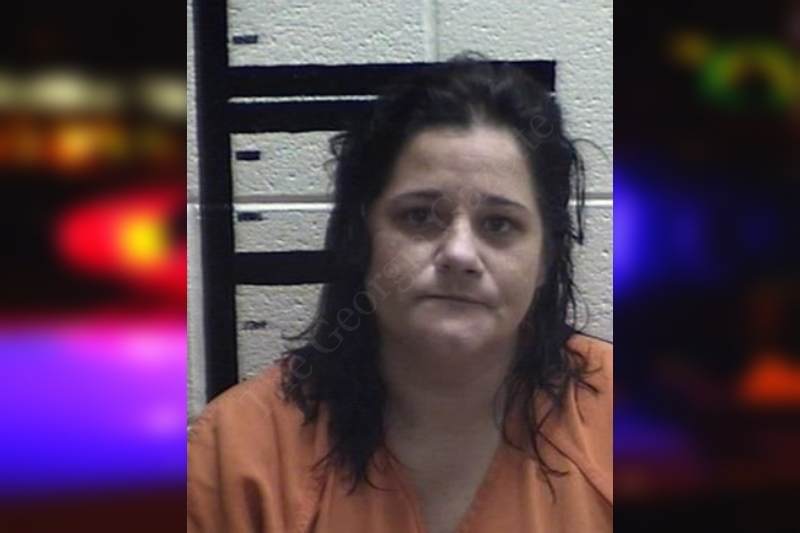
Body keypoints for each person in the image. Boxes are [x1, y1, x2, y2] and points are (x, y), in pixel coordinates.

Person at [188, 53, 612, 533]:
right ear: (364, 236)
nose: (459, 253)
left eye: (499, 224)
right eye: (419, 216)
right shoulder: (238, 452)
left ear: (545, 259)